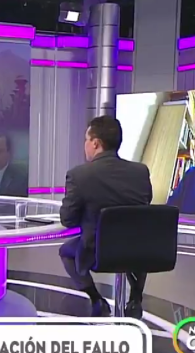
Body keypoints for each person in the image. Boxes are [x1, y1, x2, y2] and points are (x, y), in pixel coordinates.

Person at [58, 116, 153, 318]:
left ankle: (96, 300)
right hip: (139, 251)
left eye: (86, 139)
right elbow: (144, 206)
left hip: (97, 252)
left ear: (95, 143)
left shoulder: (79, 175)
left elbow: (68, 219)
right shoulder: (140, 172)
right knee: (132, 245)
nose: (85, 145)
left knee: (66, 252)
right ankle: (135, 298)